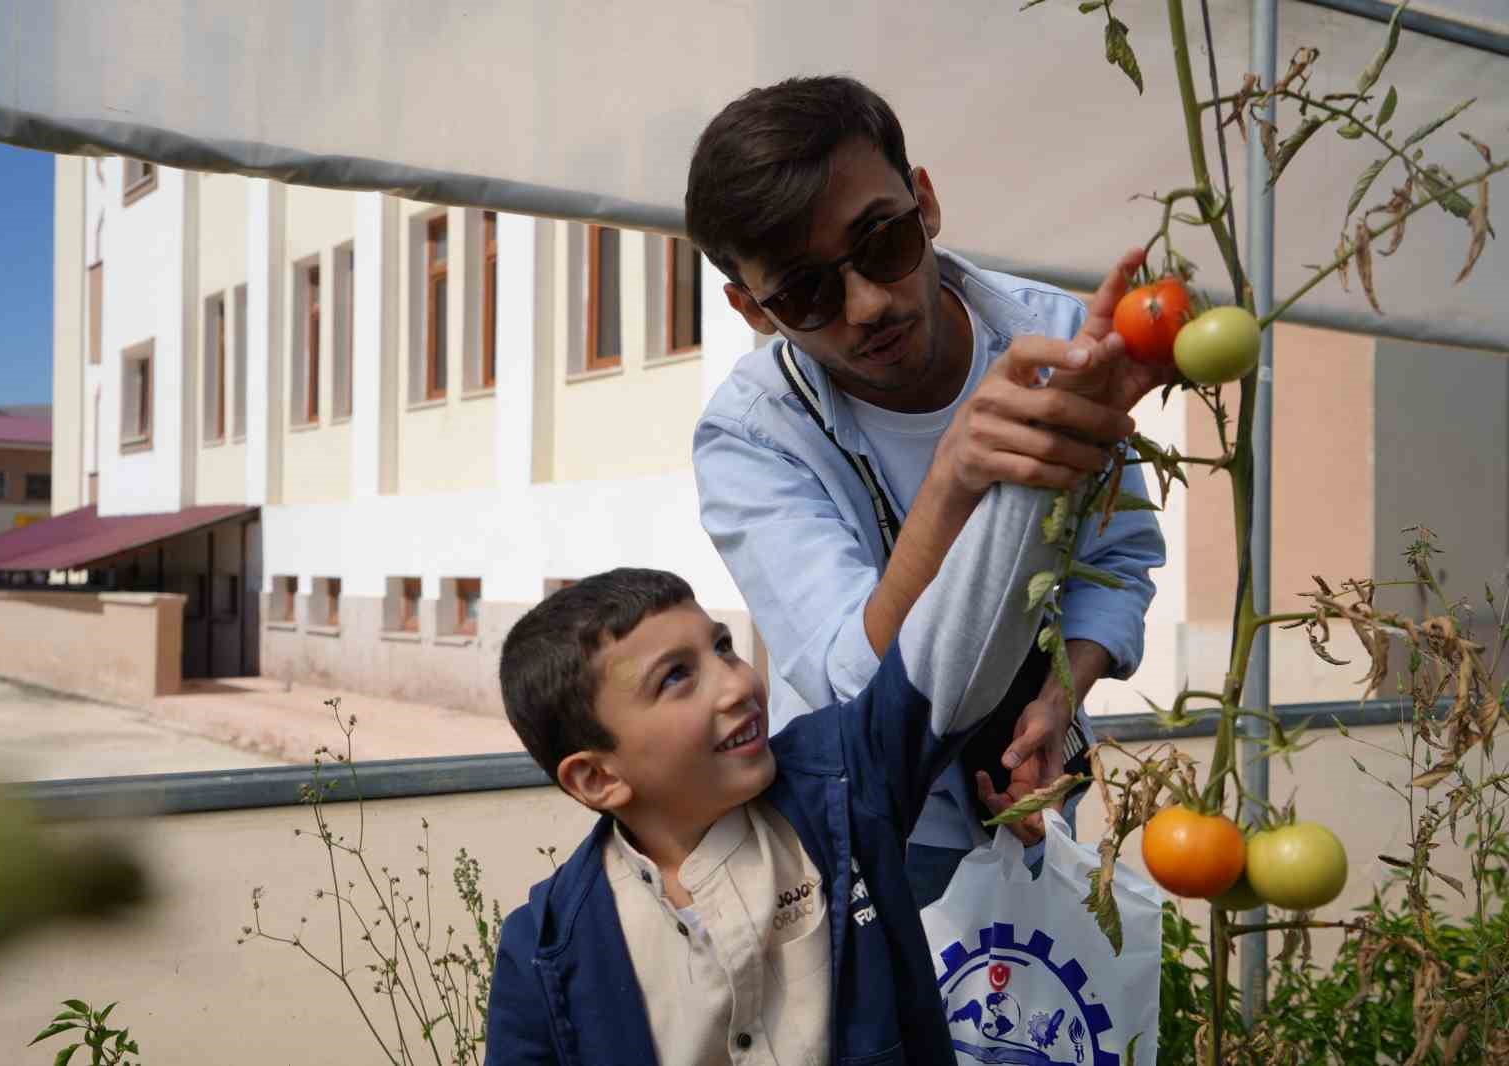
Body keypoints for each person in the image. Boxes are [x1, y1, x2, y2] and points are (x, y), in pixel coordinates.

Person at [688, 75, 1169, 903]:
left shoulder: (1055, 339)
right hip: (877, 828)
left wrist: (1057, 705)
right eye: (806, 293)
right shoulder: (752, 437)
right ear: (751, 310)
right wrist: (953, 476)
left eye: (881, 242)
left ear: (926, 202)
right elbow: (849, 677)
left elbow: (1116, 560)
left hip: (1034, 794)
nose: (868, 304)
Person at [485, 467, 1111, 1065]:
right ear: (598, 778)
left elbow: (952, 641)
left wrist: (1044, 450)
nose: (735, 684)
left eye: (723, 647)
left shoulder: (842, 782)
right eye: (677, 677)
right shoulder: (543, 952)